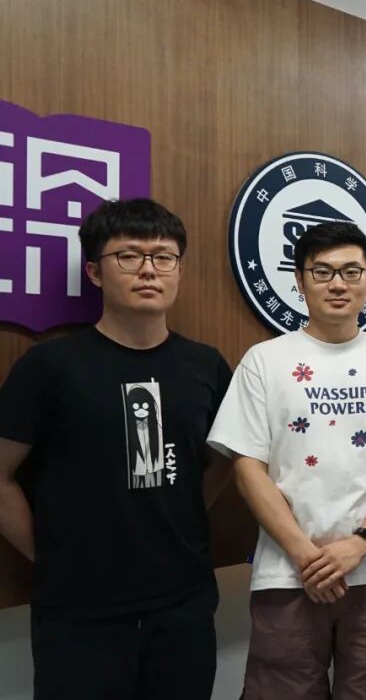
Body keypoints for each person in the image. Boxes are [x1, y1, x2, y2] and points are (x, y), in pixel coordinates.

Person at [0, 198, 232, 700]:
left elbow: (221, 463)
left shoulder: (207, 366)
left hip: (184, 604)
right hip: (79, 613)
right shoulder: (49, 367)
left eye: (164, 257)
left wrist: (183, 517)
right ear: (94, 271)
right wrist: (50, 556)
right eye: (128, 256)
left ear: (178, 270)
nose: (149, 269)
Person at [207, 221, 366, 700]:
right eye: (323, 271)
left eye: (352, 271)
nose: (338, 283)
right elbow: (247, 468)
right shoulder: (263, 361)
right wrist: (303, 554)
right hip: (287, 571)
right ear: (299, 280)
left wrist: (360, 544)